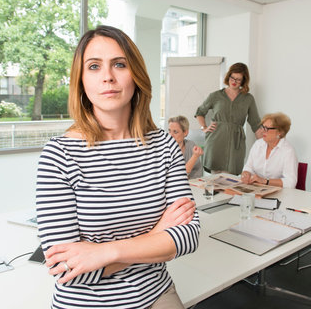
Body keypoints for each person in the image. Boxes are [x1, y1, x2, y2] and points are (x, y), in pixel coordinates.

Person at [36, 25, 200, 309]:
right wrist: (156, 237)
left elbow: (187, 236)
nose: (108, 77)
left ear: (135, 75)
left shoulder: (164, 146)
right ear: (81, 81)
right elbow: (65, 269)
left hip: (157, 294)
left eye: (119, 64)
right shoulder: (59, 154)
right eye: (94, 66)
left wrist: (104, 252)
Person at [195, 62, 262, 175]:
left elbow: (255, 123)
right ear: (228, 76)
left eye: (238, 79)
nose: (234, 82)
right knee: (215, 183)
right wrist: (204, 127)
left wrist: (265, 146)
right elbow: (200, 112)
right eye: (232, 78)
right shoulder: (215, 96)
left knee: (231, 182)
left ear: (243, 81)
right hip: (216, 141)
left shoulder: (248, 99)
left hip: (235, 144)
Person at [241, 112, 298, 189]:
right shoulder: (258, 144)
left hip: (279, 193)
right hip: (256, 189)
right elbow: (248, 167)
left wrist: (265, 181)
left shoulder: (288, 151)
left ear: (280, 132)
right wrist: (246, 174)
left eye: (267, 128)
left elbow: (290, 182)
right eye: (262, 127)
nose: (262, 131)